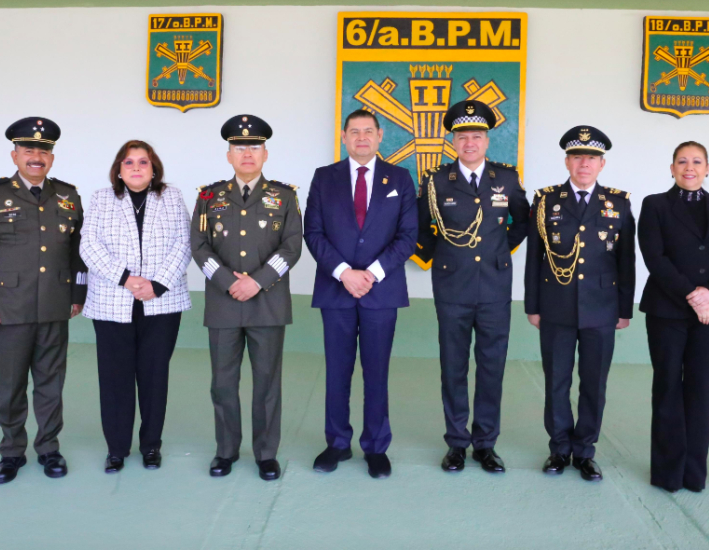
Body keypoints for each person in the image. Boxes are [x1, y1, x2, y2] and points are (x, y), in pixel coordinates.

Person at [0, 117, 87, 484]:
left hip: (55, 303)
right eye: (29, 150)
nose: (37, 156)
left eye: (44, 151)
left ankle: (49, 448)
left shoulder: (68, 195)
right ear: (15, 154)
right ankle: (11, 452)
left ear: (52, 157)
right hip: (8, 307)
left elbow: (77, 253)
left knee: (51, 383)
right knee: (12, 384)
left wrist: (77, 293)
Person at [414, 100, 530, 474]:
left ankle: (485, 443)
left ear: (487, 140)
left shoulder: (506, 179)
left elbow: (523, 223)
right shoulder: (435, 181)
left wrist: (499, 250)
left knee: (492, 365)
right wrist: (445, 256)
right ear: (453, 140)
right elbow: (421, 227)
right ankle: (456, 444)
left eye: (476, 136)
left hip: (495, 286)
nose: (470, 142)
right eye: (463, 136)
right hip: (452, 285)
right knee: (453, 365)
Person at [304, 109, 418, 479]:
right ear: (343, 136)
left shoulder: (400, 178)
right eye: (354, 132)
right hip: (336, 291)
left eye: (368, 131)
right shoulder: (325, 178)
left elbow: (408, 236)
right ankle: (337, 443)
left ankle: (375, 446)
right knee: (337, 371)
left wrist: (370, 273)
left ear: (380, 135)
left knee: (376, 372)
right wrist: (343, 273)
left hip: (380, 292)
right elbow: (314, 232)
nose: (362, 137)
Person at [191, 114, 303, 481]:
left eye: (254, 147)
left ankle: (266, 453)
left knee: (267, 383)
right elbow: (199, 246)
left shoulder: (284, 196)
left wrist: (257, 282)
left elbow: (291, 247)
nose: (247, 154)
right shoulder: (209, 197)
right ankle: (226, 450)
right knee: (223, 383)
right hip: (224, 303)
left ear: (265, 153)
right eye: (240, 147)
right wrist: (227, 281)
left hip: (267, 302)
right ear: (229, 155)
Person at [524, 126, 635, 482]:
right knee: (556, 380)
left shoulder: (618, 203)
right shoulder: (545, 202)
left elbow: (626, 261)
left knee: (593, 383)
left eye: (591, 158)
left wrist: (624, 309)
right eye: (577, 156)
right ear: (567, 161)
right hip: (556, 305)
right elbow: (534, 258)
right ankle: (559, 448)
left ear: (602, 164)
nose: (583, 163)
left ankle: (585, 450)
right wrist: (533, 305)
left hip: (601, 309)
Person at [637, 141, 709, 493]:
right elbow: (655, 258)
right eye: (682, 161)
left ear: (708, 168)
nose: (689, 167)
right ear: (671, 168)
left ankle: (693, 474)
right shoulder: (654, 205)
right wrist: (691, 295)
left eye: (697, 161)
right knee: (668, 387)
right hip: (666, 310)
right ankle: (668, 473)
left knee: (700, 390)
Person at [80, 140, 191, 473]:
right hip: (113, 301)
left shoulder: (171, 197)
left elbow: (185, 242)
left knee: (154, 376)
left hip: (162, 301)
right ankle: (116, 448)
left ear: (153, 168)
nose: (137, 168)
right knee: (115, 378)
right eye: (129, 163)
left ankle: (151, 445)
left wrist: (156, 285)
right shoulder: (102, 198)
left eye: (143, 162)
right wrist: (127, 279)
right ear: (119, 169)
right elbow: (88, 246)